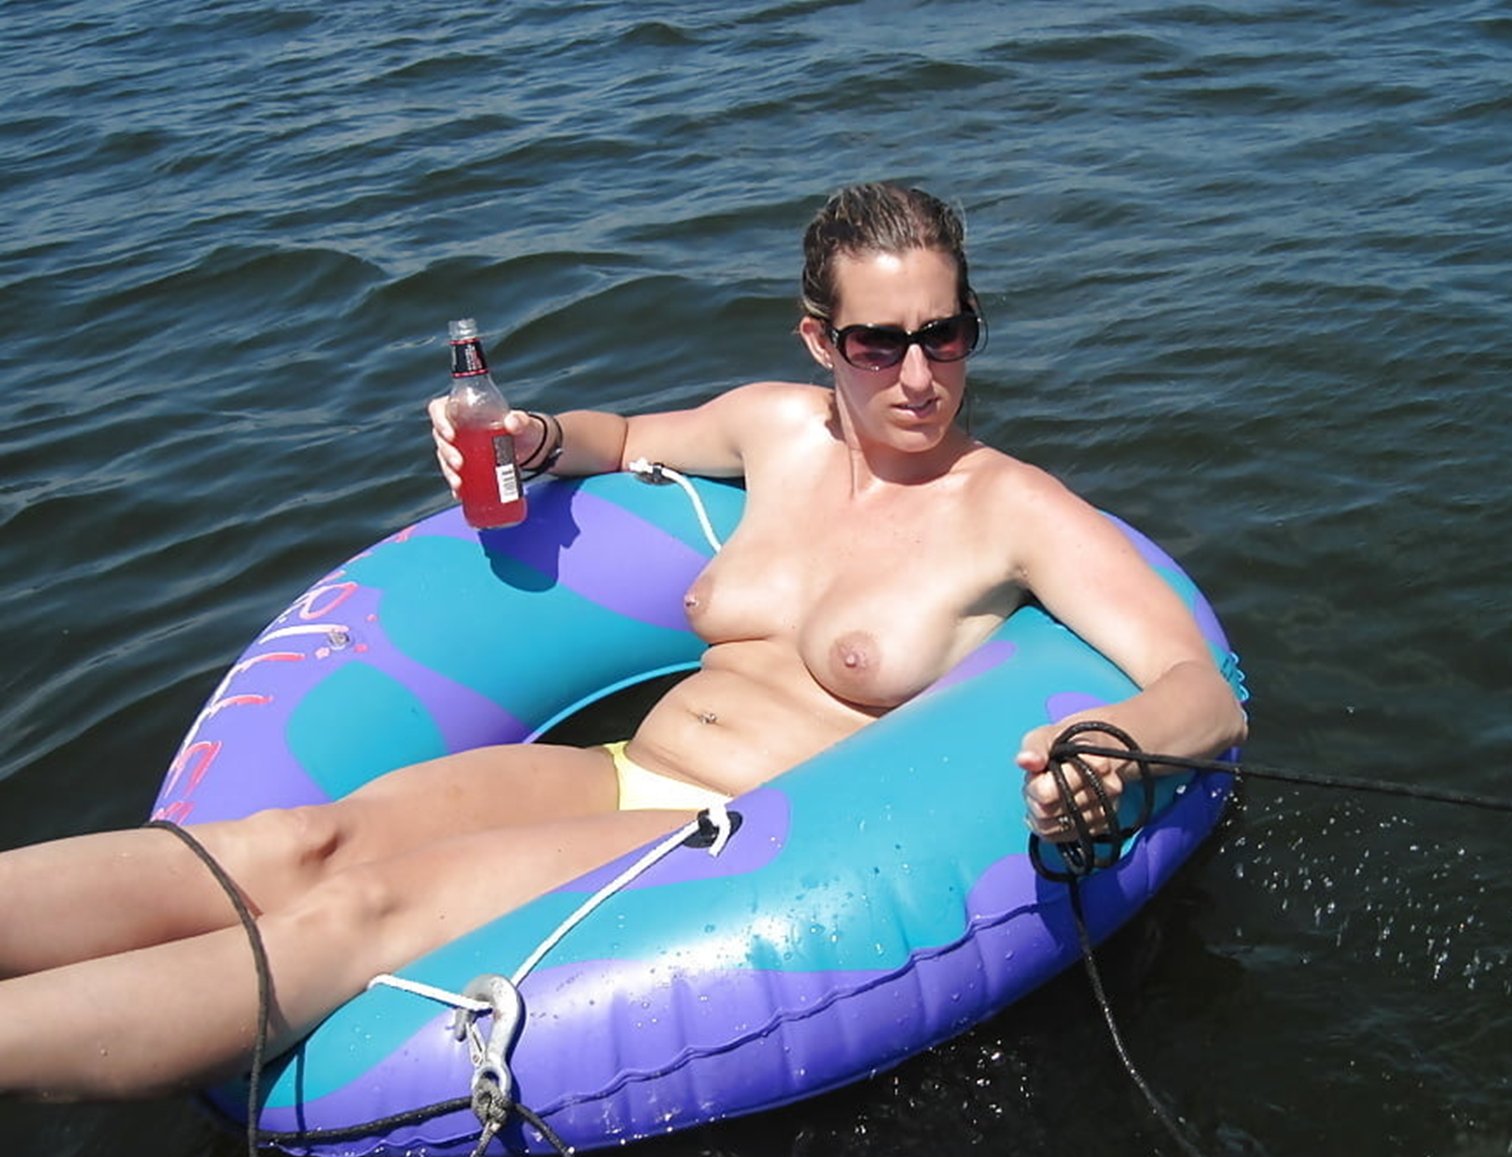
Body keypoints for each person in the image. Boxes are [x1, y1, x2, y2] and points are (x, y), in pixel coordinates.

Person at [0, 182, 1245, 1099]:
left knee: (361, 910)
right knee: (295, 840)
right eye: (879, 342)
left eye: (946, 333)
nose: (918, 376)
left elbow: (1204, 690)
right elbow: (632, 437)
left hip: (726, 836)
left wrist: (1116, 738)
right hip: (616, 771)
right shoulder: (776, 429)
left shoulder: (1011, 508)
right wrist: (531, 436)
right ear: (821, 341)